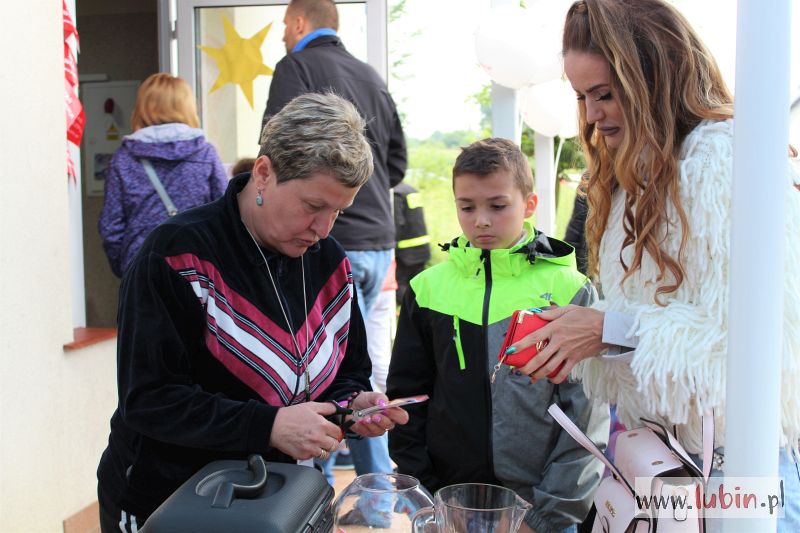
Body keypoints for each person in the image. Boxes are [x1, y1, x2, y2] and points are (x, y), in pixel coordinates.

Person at [508, 1, 800, 530]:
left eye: (604, 93)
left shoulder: (725, 161)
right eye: (582, 97)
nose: (592, 115)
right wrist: (579, 334)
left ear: (653, 77)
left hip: (737, 475)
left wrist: (604, 330)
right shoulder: (635, 177)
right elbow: (657, 321)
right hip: (667, 465)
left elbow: (751, 347)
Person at [96, 92, 410, 533]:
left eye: (338, 212)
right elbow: (149, 401)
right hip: (171, 503)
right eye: (313, 206)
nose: (322, 229)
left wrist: (353, 408)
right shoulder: (175, 254)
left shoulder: (330, 262)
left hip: (281, 502)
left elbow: (348, 373)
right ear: (263, 173)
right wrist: (269, 426)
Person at [387, 138, 609, 533]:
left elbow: (586, 416)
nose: (481, 221)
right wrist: (428, 497)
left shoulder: (570, 288)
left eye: (498, 205)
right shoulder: (426, 289)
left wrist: (544, 518)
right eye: (467, 207)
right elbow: (407, 401)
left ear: (530, 204)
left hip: (540, 512)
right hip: (449, 508)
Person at [259, 0, 407, 486]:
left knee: (317, 374)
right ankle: (379, 501)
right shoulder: (372, 76)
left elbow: (274, 145)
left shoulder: (294, 66)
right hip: (379, 239)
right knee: (363, 380)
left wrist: (319, 211)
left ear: (299, 23)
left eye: (284, 25)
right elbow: (398, 164)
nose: (283, 35)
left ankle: (311, 493)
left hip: (331, 251)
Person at [98, 73, 228, 277]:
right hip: (196, 266)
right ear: (187, 107)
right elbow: (225, 215)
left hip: (142, 266)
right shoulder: (205, 153)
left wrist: (125, 268)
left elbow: (111, 227)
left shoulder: (123, 158)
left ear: (143, 107)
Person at [393, 182, 432, 305]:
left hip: (406, 252)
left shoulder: (395, 193)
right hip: (422, 248)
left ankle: (409, 313)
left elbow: (397, 223)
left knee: (401, 284)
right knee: (419, 285)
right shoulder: (411, 189)